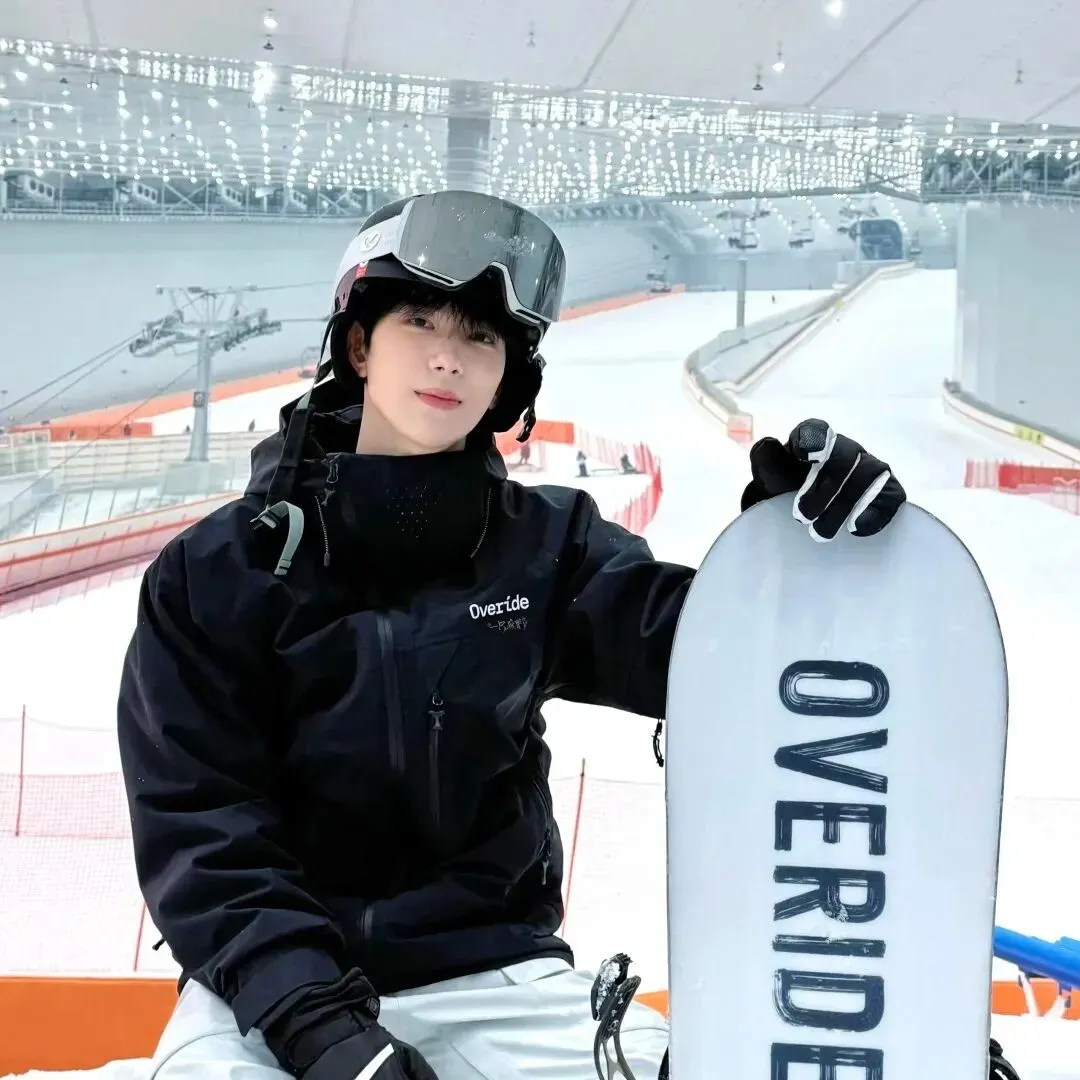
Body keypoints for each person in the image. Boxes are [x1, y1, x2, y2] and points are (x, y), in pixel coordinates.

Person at [116, 190, 908, 1080]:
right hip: (268, 994)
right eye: (420, 321)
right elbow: (203, 829)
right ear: (359, 346)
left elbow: (696, 651)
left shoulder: (546, 548)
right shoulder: (217, 573)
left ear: (508, 380)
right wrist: (323, 1032)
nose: (448, 357)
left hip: (492, 972)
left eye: (481, 337)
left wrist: (788, 556)